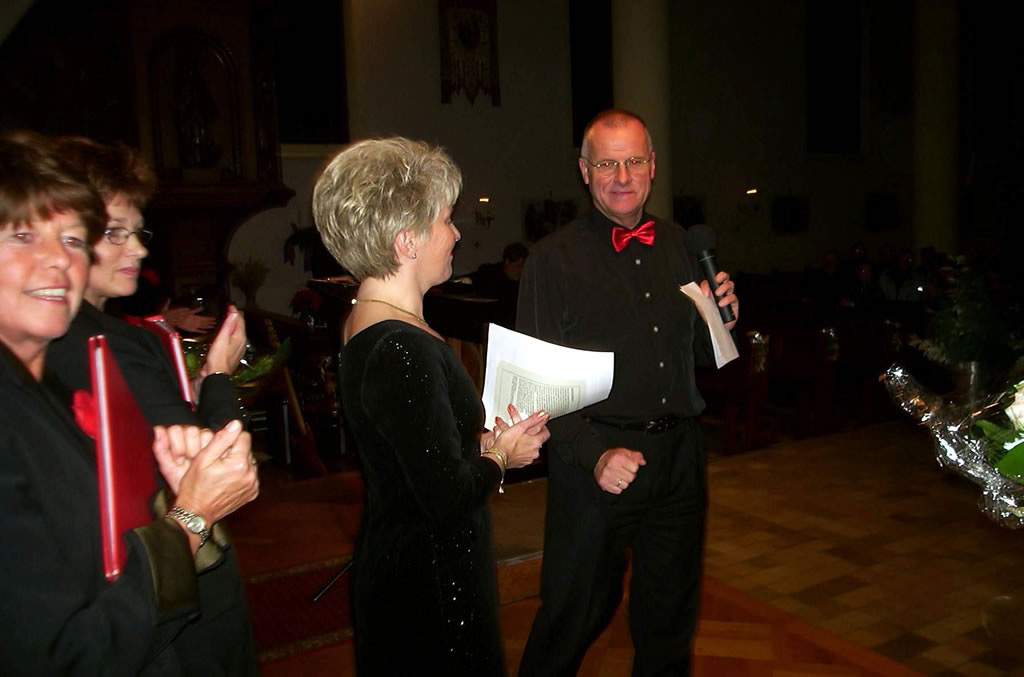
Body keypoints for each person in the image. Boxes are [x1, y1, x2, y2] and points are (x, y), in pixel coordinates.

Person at [0, 132, 259, 674]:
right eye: (23, 235)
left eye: (73, 239)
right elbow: (68, 656)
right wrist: (189, 518)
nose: (57, 260)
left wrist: (166, 487)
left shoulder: (41, 389)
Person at [312, 136, 550, 675]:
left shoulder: (367, 320)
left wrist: (482, 442)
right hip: (431, 584)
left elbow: (413, 451)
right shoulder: (401, 345)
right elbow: (448, 496)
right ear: (407, 241)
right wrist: (502, 457)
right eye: (445, 219)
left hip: (406, 560)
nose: (457, 233)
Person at [516, 110, 739, 676]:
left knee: (669, 621)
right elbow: (536, 384)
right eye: (607, 164)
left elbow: (693, 358)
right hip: (597, 460)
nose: (622, 176)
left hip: (679, 459)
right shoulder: (552, 260)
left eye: (634, 161)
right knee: (575, 614)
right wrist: (594, 455)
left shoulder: (682, 245)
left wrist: (721, 325)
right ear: (584, 171)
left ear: (652, 166)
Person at [46, 136, 247, 431]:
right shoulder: (105, 344)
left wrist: (198, 388)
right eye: (114, 232)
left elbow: (140, 417)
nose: (139, 250)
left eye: (137, 232)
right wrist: (219, 373)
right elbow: (217, 454)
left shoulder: (59, 329)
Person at [469, 241, 529, 327]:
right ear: (507, 261)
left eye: (524, 268)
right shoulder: (488, 274)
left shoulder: (524, 284)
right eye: (518, 267)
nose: (521, 271)